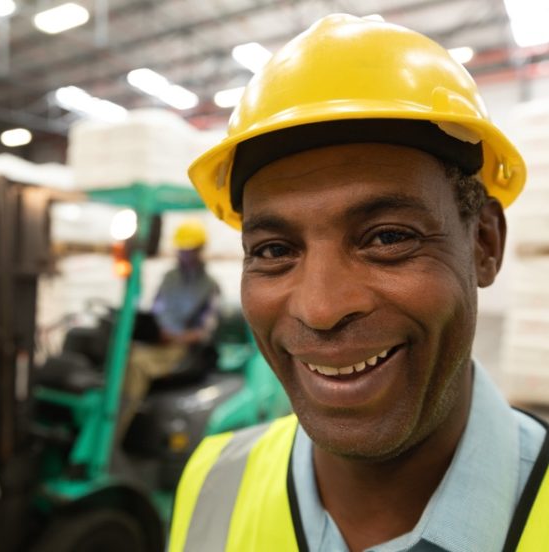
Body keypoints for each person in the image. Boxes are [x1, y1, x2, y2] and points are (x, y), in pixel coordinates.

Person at [167, 14, 549, 552]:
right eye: (274, 251)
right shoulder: (213, 481)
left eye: (388, 238)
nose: (321, 307)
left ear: (484, 244)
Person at [118, 218, 220, 436]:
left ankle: (116, 429)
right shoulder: (169, 278)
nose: (183, 255)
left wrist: (176, 337)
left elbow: (205, 331)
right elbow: (156, 310)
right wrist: (153, 330)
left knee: (136, 364)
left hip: (178, 349)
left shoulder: (209, 286)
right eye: (181, 250)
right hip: (157, 340)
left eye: (189, 250)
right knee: (119, 355)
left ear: (200, 250)